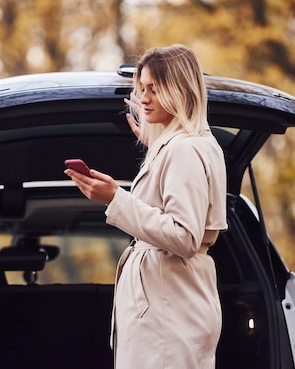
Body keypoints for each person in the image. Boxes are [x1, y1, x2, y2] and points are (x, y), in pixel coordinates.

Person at [65, 44, 228, 368]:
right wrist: (156, 139)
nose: (143, 98)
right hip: (172, 303)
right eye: (141, 89)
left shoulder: (183, 150)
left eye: (154, 89)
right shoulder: (191, 144)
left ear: (179, 89)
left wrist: (116, 198)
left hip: (171, 306)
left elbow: (184, 236)